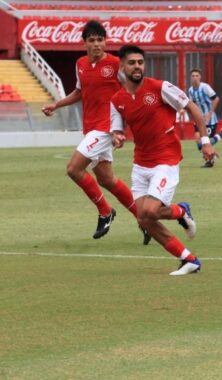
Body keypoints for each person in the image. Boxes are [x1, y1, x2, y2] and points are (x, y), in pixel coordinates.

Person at [110, 44, 215, 275]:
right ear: (122, 66)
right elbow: (117, 130)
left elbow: (192, 108)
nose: (137, 67)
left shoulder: (160, 87)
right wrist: (117, 138)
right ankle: (189, 258)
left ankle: (180, 212)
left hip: (165, 160)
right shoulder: (117, 100)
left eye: (140, 62)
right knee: (143, 219)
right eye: (132, 63)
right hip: (141, 164)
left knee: (149, 211)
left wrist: (205, 142)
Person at [41, 20, 149, 244]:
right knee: (107, 179)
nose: (97, 44)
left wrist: (124, 127)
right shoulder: (80, 63)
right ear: (85, 43)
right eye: (92, 40)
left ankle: (105, 211)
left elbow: (132, 90)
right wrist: (56, 105)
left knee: (73, 169)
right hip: (90, 128)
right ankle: (144, 220)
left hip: (106, 128)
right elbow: (78, 92)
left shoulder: (115, 64)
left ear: (105, 41)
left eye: (100, 39)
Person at [187, 68, 222, 168]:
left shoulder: (205, 87)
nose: (195, 78)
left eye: (197, 76)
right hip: (199, 119)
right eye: (193, 76)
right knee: (198, 140)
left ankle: (210, 161)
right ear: (190, 77)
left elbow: (216, 99)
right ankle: (221, 136)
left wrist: (210, 113)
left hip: (209, 120)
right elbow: (191, 104)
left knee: (206, 141)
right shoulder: (190, 90)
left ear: (200, 77)